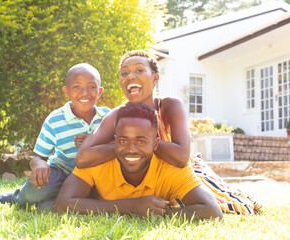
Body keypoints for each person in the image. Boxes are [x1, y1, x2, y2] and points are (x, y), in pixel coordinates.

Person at [75, 50, 262, 216]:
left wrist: (140, 143)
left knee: (223, 203)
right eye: (124, 73)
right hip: (146, 175)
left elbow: (181, 156)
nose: (131, 76)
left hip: (178, 171)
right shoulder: (116, 114)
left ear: (155, 78)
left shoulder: (169, 106)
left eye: (139, 70)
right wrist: (123, 145)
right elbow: (83, 158)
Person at [54, 102, 223, 220]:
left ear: (156, 144)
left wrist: (157, 213)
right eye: (123, 141)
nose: (131, 149)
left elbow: (212, 211)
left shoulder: (170, 168)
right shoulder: (98, 161)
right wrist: (131, 207)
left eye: (141, 141)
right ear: (114, 141)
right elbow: (62, 205)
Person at [0, 63, 110, 210]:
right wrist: (40, 164)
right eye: (77, 87)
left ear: (100, 91)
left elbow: (117, 145)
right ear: (67, 91)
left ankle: (48, 204)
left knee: (50, 208)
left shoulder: (108, 117)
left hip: (94, 178)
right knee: (34, 193)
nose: (85, 92)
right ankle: (17, 197)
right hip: (61, 174)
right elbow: (38, 158)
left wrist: (93, 141)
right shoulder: (55, 120)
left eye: (92, 87)